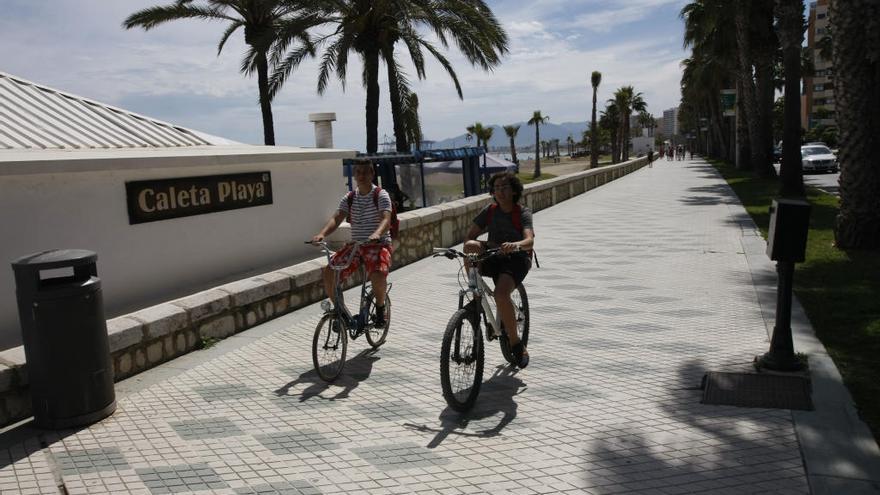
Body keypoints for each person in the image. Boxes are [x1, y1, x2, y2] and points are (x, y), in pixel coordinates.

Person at [464, 171, 535, 368]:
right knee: (469, 247)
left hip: (517, 259)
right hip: (494, 255)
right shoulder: (490, 210)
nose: (500, 192)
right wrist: (482, 247)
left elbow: (529, 241)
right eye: (496, 188)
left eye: (504, 188)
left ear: (514, 191)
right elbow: (470, 235)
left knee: (501, 294)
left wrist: (516, 245)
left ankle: (516, 343)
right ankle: (475, 293)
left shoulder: (522, 212)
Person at [312, 159, 392, 327]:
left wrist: (377, 233)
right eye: (358, 172)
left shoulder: (381, 195)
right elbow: (337, 218)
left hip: (378, 244)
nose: (361, 176)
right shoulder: (349, 198)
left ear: (372, 174)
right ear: (354, 175)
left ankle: (380, 309)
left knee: (377, 273)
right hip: (356, 245)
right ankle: (340, 313)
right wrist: (321, 234)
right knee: (330, 272)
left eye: (365, 172)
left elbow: (386, 218)